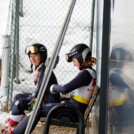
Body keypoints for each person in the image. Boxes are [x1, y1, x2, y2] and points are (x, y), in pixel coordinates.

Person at [4, 43, 97, 134]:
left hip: (73, 112)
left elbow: (65, 88)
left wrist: (53, 87)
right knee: (36, 108)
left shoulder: (86, 74)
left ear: (80, 57)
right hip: (72, 108)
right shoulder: (88, 73)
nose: (74, 64)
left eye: (74, 60)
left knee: (37, 109)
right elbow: (70, 88)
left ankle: (14, 132)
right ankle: (14, 129)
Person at [2, 43, 60, 134]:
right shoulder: (40, 69)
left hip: (48, 102)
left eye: (35, 55)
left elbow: (39, 91)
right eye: (30, 56)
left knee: (19, 103)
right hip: (43, 99)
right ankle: (13, 125)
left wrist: (30, 99)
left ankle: (11, 128)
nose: (32, 58)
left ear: (42, 56)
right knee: (17, 96)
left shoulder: (44, 70)